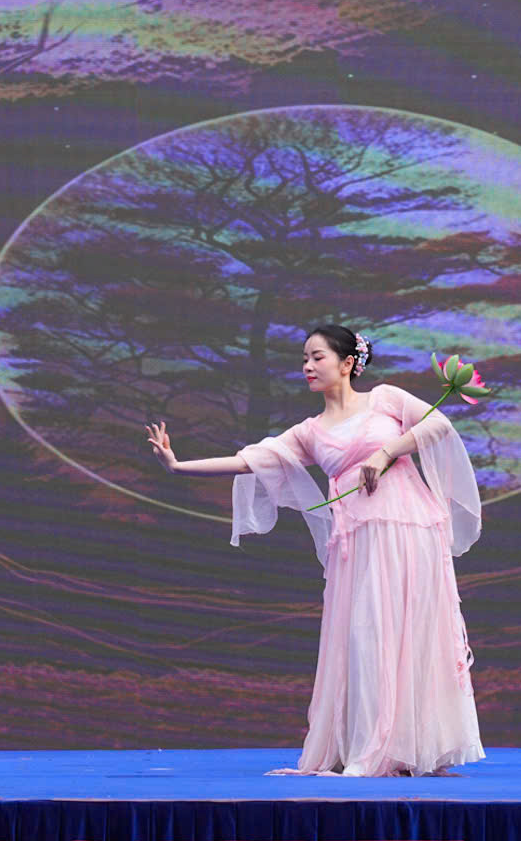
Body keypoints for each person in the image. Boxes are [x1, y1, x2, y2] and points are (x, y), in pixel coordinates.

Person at [145, 325, 483, 776]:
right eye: (304, 358)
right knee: (366, 636)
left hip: (409, 530)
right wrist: (178, 466)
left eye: (317, 357)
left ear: (347, 363)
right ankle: (372, 746)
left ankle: (415, 749)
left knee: (412, 633)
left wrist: (386, 452)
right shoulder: (310, 432)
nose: (307, 366)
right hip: (358, 540)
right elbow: (249, 460)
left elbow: (438, 424)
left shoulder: (384, 399)